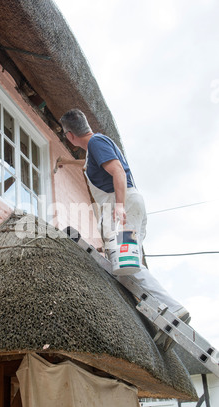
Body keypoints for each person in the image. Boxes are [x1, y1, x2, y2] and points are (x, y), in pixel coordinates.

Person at [60, 109, 191, 351]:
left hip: (121, 206)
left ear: (70, 136)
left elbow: (117, 171)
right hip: (128, 203)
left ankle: (172, 308)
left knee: (127, 266)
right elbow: (93, 165)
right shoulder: (95, 149)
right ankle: (165, 319)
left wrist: (119, 208)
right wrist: (68, 161)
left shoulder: (97, 143)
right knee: (126, 268)